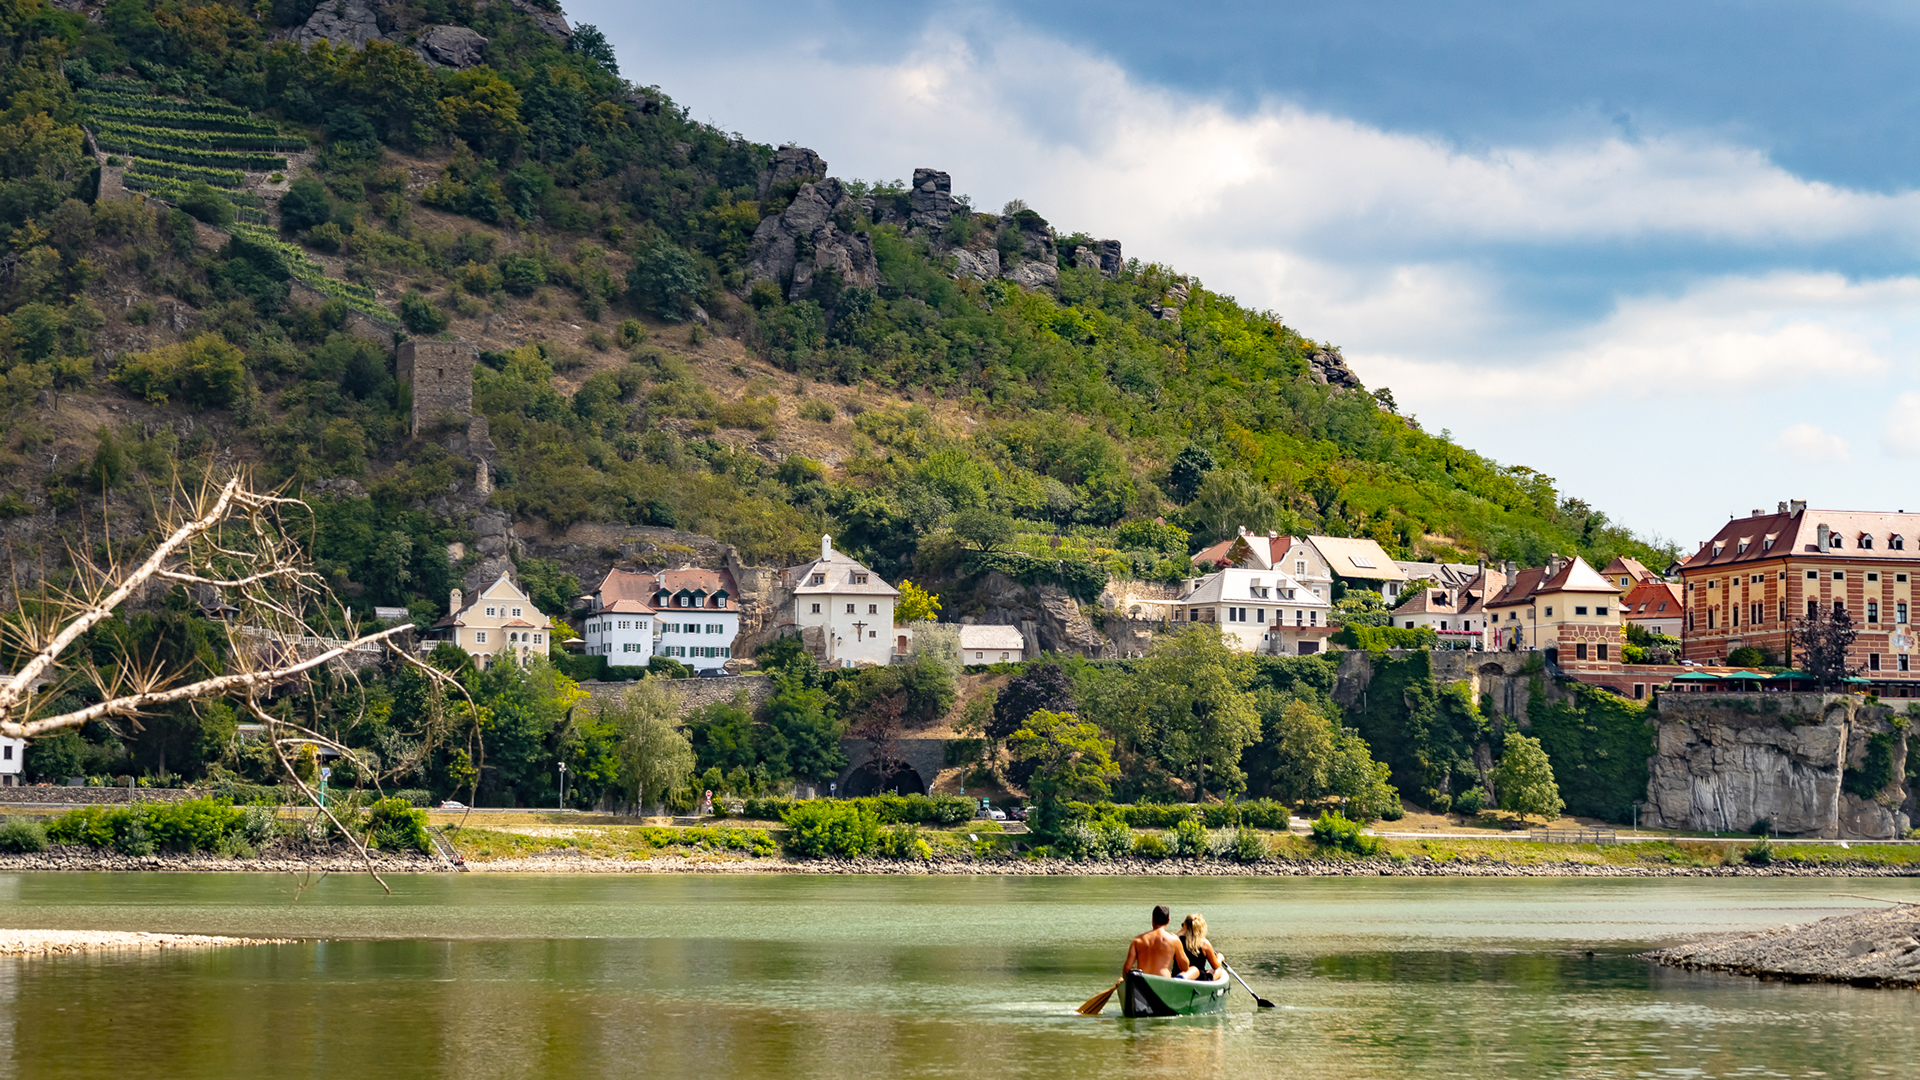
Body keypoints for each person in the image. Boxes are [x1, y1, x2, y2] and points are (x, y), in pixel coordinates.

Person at [1123, 905, 1198, 979]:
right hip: (1163, 982)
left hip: (1142, 982)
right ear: (1168, 920)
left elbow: (1127, 968)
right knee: (1195, 969)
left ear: (1152, 919)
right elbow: (1185, 967)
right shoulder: (1174, 940)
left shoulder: (1138, 940)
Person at [1176, 913, 1226, 981]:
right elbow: (1215, 966)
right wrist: (1220, 957)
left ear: (1185, 926)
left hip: (1179, 973)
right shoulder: (1205, 943)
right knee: (1218, 970)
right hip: (1199, 979)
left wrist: (1182, 929)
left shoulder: (1176, 940)